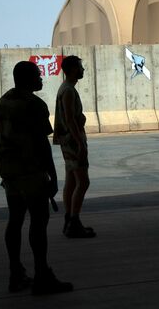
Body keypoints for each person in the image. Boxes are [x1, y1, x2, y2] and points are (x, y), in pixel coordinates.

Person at [0, 61, 73, 295]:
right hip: (30, 172)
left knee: (15, 220)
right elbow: (42, 144)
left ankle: (16, 273)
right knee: (39, 222)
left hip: (9, 172)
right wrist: (53, 176)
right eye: (38, 75)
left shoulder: (2, 103)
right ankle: (41, 276)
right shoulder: (34, 104)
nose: (41, 78)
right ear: (28, 79)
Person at [53, 55, 96, 238]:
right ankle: (74, 221)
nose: (82, 70)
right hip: (72, 141)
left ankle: (69, 219)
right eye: (80, 67)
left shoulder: (65, 88)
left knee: (71, 180)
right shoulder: (69, 91)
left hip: (67, 140)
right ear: (71, 70)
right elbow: (70, 119)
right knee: (83, 181)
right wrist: (80, 143)